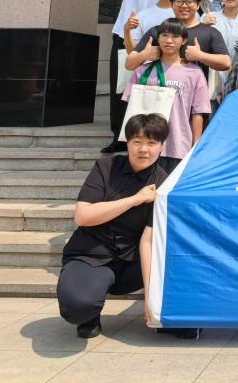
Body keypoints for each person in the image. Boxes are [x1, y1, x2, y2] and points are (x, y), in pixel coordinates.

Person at [57, 113, 177, 339]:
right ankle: (90, 313)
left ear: (162, 146)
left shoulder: (164, 184)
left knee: (173, 257)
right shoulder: (105, 168)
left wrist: (150, 300)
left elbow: (148, 242)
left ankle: (171, 316)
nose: (144, 149)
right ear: (127, 143)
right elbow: (83, 216)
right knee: (77, 308)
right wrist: (135, 199)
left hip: (131, 263)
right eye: (137, 141)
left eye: (152, 143)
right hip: (91, 254)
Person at [106, 0, 168, 153]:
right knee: (121, 86)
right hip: (126, 33)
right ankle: (119, 136)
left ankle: (152, 136)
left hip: (156, 36)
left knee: (153, 86)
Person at [122, 19, 210, 160]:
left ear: (183, 40)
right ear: (158, 38)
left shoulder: (195, 73)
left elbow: (198, 113)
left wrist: (196, 146)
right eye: (164, 35)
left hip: (179, 146)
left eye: (175, 36)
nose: (169, 40)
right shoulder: (142, 71)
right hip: (145, 148)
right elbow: (131, 111)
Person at [126, 0, 231, 83]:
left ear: (198, 5)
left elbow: (226, 63)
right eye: (179, 1)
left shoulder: (210, 32)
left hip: (194, 92)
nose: (184, 5)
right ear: (172, 4)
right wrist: (144, 55)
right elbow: (129, 65)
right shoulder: (158, 31)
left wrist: (199, 55)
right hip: (160, 91)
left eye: (189, 1)